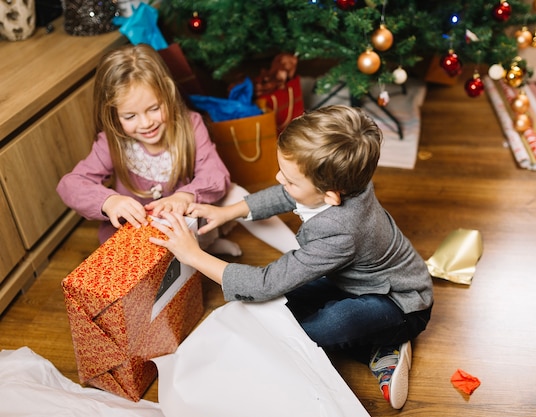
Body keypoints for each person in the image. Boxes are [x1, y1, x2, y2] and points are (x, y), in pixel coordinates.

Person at [150, 104, 434, 409]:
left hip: (400, 304)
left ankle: (385, 345)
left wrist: (192, 255)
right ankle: (377, 338)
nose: (278, 178)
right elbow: (286, 194)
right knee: (279, 309)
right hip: (353, 281)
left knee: (316, 329)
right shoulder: (346, 178)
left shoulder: (342, 231)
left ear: (330, 196)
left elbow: (265, 282)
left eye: (290, 179)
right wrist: (226, 212)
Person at [57, 43, 298, 255]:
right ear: (113, 115)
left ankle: (297, 252)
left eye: (153, 108)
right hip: (143, 241)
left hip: (189, 228)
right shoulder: (112, 141)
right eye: (130, 115)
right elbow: (70, 184)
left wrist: (185, 196)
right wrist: (109, 201)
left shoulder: (190, 124)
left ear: (168, 95)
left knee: (235, 193)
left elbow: (216, 175)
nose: (146, 123)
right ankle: (204, 254)